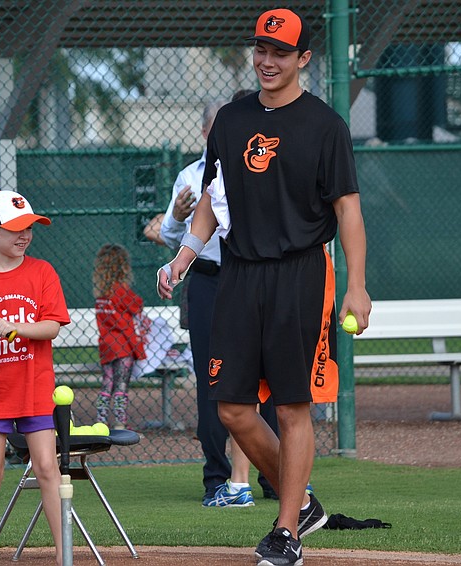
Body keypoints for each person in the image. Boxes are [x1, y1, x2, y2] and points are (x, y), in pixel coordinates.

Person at [157, 8, 371, 566]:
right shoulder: (231, 120)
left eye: (281, 52)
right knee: (230, 408)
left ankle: (286, 531)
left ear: (304, 58)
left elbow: (348, 208)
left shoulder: (326, 126)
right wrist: (182, 257)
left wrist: (358, 286)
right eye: (261, 49)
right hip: (239, 273)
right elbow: (212, 200)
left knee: (293, 408)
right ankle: (303, 504)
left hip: (300, 273)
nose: (268, 60)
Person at [160, 97, 279, 508]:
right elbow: (173, 237)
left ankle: (276, 475)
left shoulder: (263, 164)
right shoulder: (191, 177)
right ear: (207, 131)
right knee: (215, 383)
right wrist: (176, 216)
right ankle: (218, 479)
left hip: (257, 279)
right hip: (211, 281)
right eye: (219, 126)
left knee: (270, 381)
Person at [0, 189, 70, 566]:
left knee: (46, 467)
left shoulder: (42, 272)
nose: (25, 235)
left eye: (29, 228)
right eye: (15, 229)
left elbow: (52, 327)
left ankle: (62, 555)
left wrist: (15, 328)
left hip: (34, 387)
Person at [92, 243, 146, 430]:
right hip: (122, 346)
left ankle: (101, 420)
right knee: (121, 384)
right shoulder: (120, 290)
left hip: (106, 344)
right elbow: (137, 304)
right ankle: (120, 423)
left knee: (107, 383)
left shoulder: (101, 294)